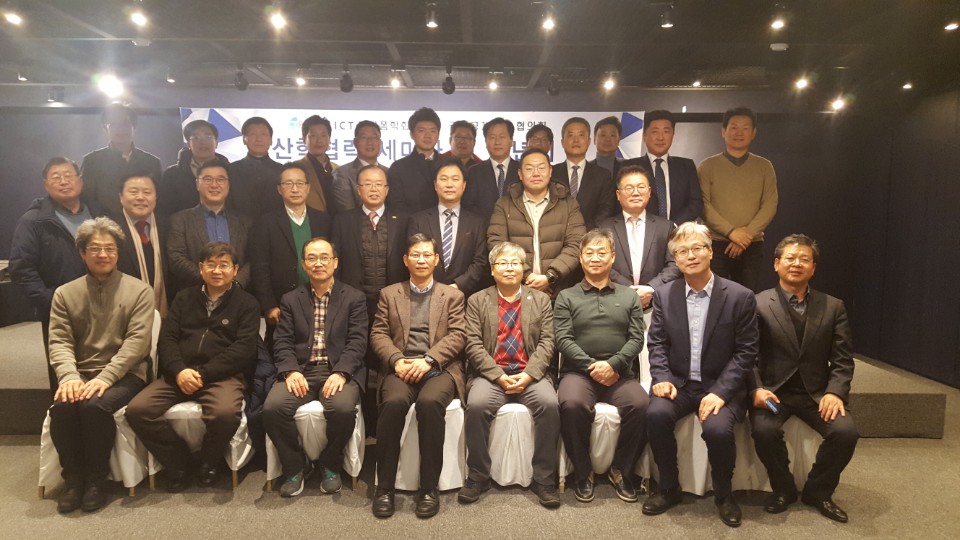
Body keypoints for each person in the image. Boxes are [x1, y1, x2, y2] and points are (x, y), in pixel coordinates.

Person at [643, 222, 758, 528]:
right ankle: (668, 487)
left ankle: (723, 494)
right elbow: (657, 343)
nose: (690, 256)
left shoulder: (740, 296)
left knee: (718, 430)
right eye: (682, 251)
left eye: (697, 248)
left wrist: (720, 392)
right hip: (679, 383)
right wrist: (661, 377)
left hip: (720, 386)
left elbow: (746, 352)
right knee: (655, 415)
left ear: (710, 252)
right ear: (675, 259)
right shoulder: (665, 295)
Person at [126, 242, 260, 492]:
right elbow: (167, 339)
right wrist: (179, 370)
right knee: (138, 410)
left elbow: (244, 349)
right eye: (211, 264)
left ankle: (208, 462)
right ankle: (178, 463)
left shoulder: (247, 303)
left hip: (222, 376)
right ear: (201, 268)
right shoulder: (183, 297)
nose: (217, 271)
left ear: (235, 270)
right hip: (179, 373)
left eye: (224, 265)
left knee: (224, 414)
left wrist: (203, 373)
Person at [47, 217, 153, 513]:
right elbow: (59, 341)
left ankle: (96, 481)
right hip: (80, 373)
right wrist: (69, 377)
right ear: (82, 253)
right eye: (95, 248)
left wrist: (106, 378)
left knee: (94, 406)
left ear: (118, 253)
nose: (103, 254)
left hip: (127, 374)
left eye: (109, 248)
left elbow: (136, 344)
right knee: (63, 407)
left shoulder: (140, 291)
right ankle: (73, 481)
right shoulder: (65, 293)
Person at [749, 234, 858, 523]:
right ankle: (783, 488)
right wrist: (756, 389)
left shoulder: (834, 306)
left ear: (813, 268)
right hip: (774, 394)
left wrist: (835, 392)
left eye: (804, 259)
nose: (796, 263)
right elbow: (747, 356)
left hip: (816, 395)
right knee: (764, 430)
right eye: (790, 258)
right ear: (776, 264)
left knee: (846, 432)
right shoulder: (757, 303)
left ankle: (818, 491)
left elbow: (843, 359)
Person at [369, 233, 467, 519]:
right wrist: (397, 360)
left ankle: (429, 488)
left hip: (439, 368)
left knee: (429, 404)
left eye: (427, 255)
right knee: (393, 403)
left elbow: (458, 335)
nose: (421, 260)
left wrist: (429, 360)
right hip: (400, 367)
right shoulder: (390, 294)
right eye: (415, 255)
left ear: (436, 260)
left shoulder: (452, 296)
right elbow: (378, 334)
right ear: (405, 260)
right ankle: (384, 488)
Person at [262, 237, 368, 497]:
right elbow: (282, 341)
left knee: (342, 409)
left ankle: (330, 464)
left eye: (324, 257)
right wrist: (291, 370)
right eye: (312, 258)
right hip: (302, 370)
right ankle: (296, 465)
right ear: (303, 264)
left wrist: (341, 372)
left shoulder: (354, 297)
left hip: (338, 370)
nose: (318, 263)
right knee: (273, 408)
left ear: (335, 262)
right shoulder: (290, 299)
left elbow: (358, 341)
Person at [460, 242, 560, 508]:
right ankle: (478, 476)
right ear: (492, 269)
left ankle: (544, 479)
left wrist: (529, 375)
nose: (509, 268)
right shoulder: (477, 300)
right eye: (503, 263)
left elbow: (548, 342)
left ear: (523, 268)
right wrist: (497, 376)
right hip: (491, 375)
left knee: (550, 405)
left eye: (515, 263)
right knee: (477, 405)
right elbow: (472, 344)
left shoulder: (540, 299)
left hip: (530, 375)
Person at [554, 229, 647, 504]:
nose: (595, 258)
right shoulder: (566, 296)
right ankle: (583, 473)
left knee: (642, 404)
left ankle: (622, 470)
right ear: (581, 258)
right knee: (571, 404)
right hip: (578, 373)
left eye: (601, 253)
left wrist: (614, 364)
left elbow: (637, 339)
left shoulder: (629, 296)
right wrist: (593, 366)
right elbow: (563, 339)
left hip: (620, 374)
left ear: (612, 257)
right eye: (589, 253)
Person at [10, 157, 105, 392]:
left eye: (68, 175)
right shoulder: (34, 221)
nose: (63, 181)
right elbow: (21, 268)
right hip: (60, 311)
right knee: (64, 375)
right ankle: (62, 414)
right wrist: (51, 301)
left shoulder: (99, 213)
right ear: (46, 185)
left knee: (103, 371)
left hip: (104, 306)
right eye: (56, 177)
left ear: (80, 181)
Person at [250, 162, 332, 343]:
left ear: (308, 187)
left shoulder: (324, 220)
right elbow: (260, 268)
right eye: (288, 183)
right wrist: (269, 305)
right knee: (281, 351)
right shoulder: (265, 223)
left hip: (320, 302)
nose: (295, 189)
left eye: (300, 183)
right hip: (281, 306)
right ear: (279, 189)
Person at [698, 107, 778, 293]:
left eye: (745, 128)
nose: (739, 133)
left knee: (746, 297)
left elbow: (770, 204)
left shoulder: (764, 166)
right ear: (723, 131)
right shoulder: (707, 166)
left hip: (751, 245)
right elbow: (703, 204)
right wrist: (732, 232)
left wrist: (746, 235)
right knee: (713, 296)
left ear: (753, 133)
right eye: (734, 127)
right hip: (715, 244)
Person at [488, 148, 585, 298]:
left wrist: (550, 277)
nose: (536, 173)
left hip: (558, 291)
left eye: (541, 168)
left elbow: (576, 244)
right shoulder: (504, 204)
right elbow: (497, 243)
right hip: (516, 290)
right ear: (520, 174)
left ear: (550, 171)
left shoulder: (568, 204)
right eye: (529, 169)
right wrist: (527, 276)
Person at [597, 165, 680, 309]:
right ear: (618, 194)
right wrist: (628, 289)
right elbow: (600, 263)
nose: (635, 193)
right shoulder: (603, 228)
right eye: (629, 188)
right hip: (614, 302)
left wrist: (650, 288)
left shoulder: (666, 227)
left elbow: (675, 264)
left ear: (649, 192)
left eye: (641, 187)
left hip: (656, 303)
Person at [166, 161, 251, 295]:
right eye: (208, 179)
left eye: (220, 180)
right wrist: (210, 281)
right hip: (194, 296)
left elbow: (252, 259)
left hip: (237, 296)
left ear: (228, 185)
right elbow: (176, 258)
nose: (214, 185)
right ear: (197, 184)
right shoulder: (180, 220)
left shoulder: (245, 222)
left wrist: (235, 283)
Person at [408, 159, 490, 298]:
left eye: (455, 179)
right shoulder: (418, 220)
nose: (449, 184)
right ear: (435, 185)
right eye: (444, 179)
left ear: (464, 185)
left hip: (465, 296)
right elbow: (414, 258)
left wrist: (457, 286)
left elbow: (480, 261)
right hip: (425, 295)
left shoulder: (477, 222)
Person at [79, 102, 162, 219]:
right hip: (106, 226)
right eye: (113, 124)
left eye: (125, 123)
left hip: (142, 225)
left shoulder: (151, 162)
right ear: (105, 128)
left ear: (134, 126)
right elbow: (87, 200)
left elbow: (159, 200)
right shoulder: (92, 161)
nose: (120, 129)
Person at [621, 110, 703, 226]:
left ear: (673, 134)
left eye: (666, 131)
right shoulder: (629, 167)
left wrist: (672, 226)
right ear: (644, 135)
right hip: (640, 229)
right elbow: (622, 202)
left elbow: (695, 203)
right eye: (655, 132)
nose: (660, 137)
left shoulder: (686, 166)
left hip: (677, 230)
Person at [116, 173, 169, 316]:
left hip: (166, 314)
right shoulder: (111, 230)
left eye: (147, 192)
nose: (140, 197)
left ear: (156, 197)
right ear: (121, 197)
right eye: (133, 192)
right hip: (124, 312)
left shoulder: (168, 226)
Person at [551, 117, 617, 229]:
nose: (576, 140)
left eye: (581, 135)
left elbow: (606, 209)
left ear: (589, 141)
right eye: (571, 135)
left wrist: (584, 231)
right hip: (556, 235)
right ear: (562, 142)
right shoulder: (552, 173)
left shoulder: (602, 175)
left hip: (590, 235)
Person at [159, 119, 230, 218]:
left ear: (217, 143)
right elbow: (164, 211)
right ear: (188, 144)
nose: (202, 142)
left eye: (208, 137)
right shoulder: (172, 175)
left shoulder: (231, 172)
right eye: (196, 138)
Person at [462, 117, 521, 220]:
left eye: (502, 137)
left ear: (511, 140)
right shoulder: (474, 172)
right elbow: (468, 205)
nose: (497, 142)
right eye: (492, 137)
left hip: (517, 228)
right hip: (483, 228)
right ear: (486, 142)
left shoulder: (522, 170)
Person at [386, 107, 442, 214]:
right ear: (412, 134)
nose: (428, 136)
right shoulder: (398, 168)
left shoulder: (447, 165)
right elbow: (396, 205)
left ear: (438, 134)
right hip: (410, 223)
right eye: (421, 131)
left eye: (433, 131)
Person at [227, 116, 283, 221]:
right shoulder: (230, 170)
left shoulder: (282, 171)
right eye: (253, 134)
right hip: (239, 227)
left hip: (276, 227)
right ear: (244, 139)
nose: (259, 139)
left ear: (271, 140)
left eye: (263, 134)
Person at [331, 120, 388, 212]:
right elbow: (348, 212)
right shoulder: (342, 174)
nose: (370, 142)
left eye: (374, 137)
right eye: (364, 137)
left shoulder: (389, 172)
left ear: (380, 143)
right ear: (355, 142)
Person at [295, 115, 341, 215]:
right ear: (304, 139)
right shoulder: (296, 169)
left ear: (329, 139)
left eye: (323, 136)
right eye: (313, 136)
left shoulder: (339, 169)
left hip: (339, 222)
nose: (319, 141)